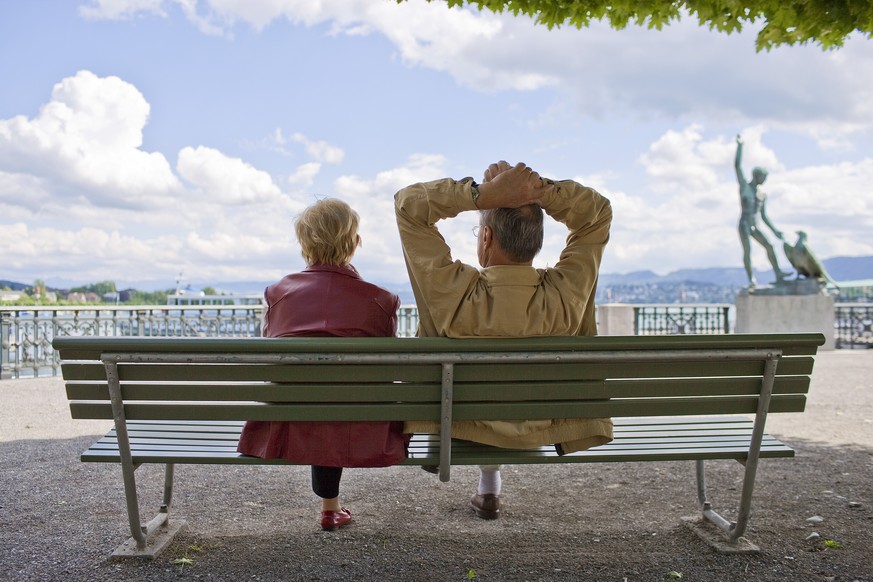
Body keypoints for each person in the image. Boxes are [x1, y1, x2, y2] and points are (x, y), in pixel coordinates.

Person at [394, 160, 613, 520]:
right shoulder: (563, 296)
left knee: (470, 398)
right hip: (540, 426)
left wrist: (480, 195)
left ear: (486, 238)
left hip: (458, 422)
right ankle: (489, 485)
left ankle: (487, 482)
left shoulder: (453, 294)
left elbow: (408, 205)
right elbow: (597, 213)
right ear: (536, 241)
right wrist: (539, 190)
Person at [237, 198, 407, 531]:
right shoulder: (382, 300)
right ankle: (331, 508)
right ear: (355, 243)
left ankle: (331, 506)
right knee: (336, 399)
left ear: (304, 243)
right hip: (359, 422)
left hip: (292, 420)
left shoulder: (278, 293)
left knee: (316, 397)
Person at [735, 135, 792, 287]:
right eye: (763, 177)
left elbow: (764, 216)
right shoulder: (745, 188)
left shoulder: (762, 194)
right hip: (745, 224)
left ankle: (778, 273)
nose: (764, 180)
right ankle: (751, 279)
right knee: (748, 252)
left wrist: (775, 231)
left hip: (756, 224)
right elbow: (737, 166)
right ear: (757, 176)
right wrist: (740, 146)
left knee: (770, 246)